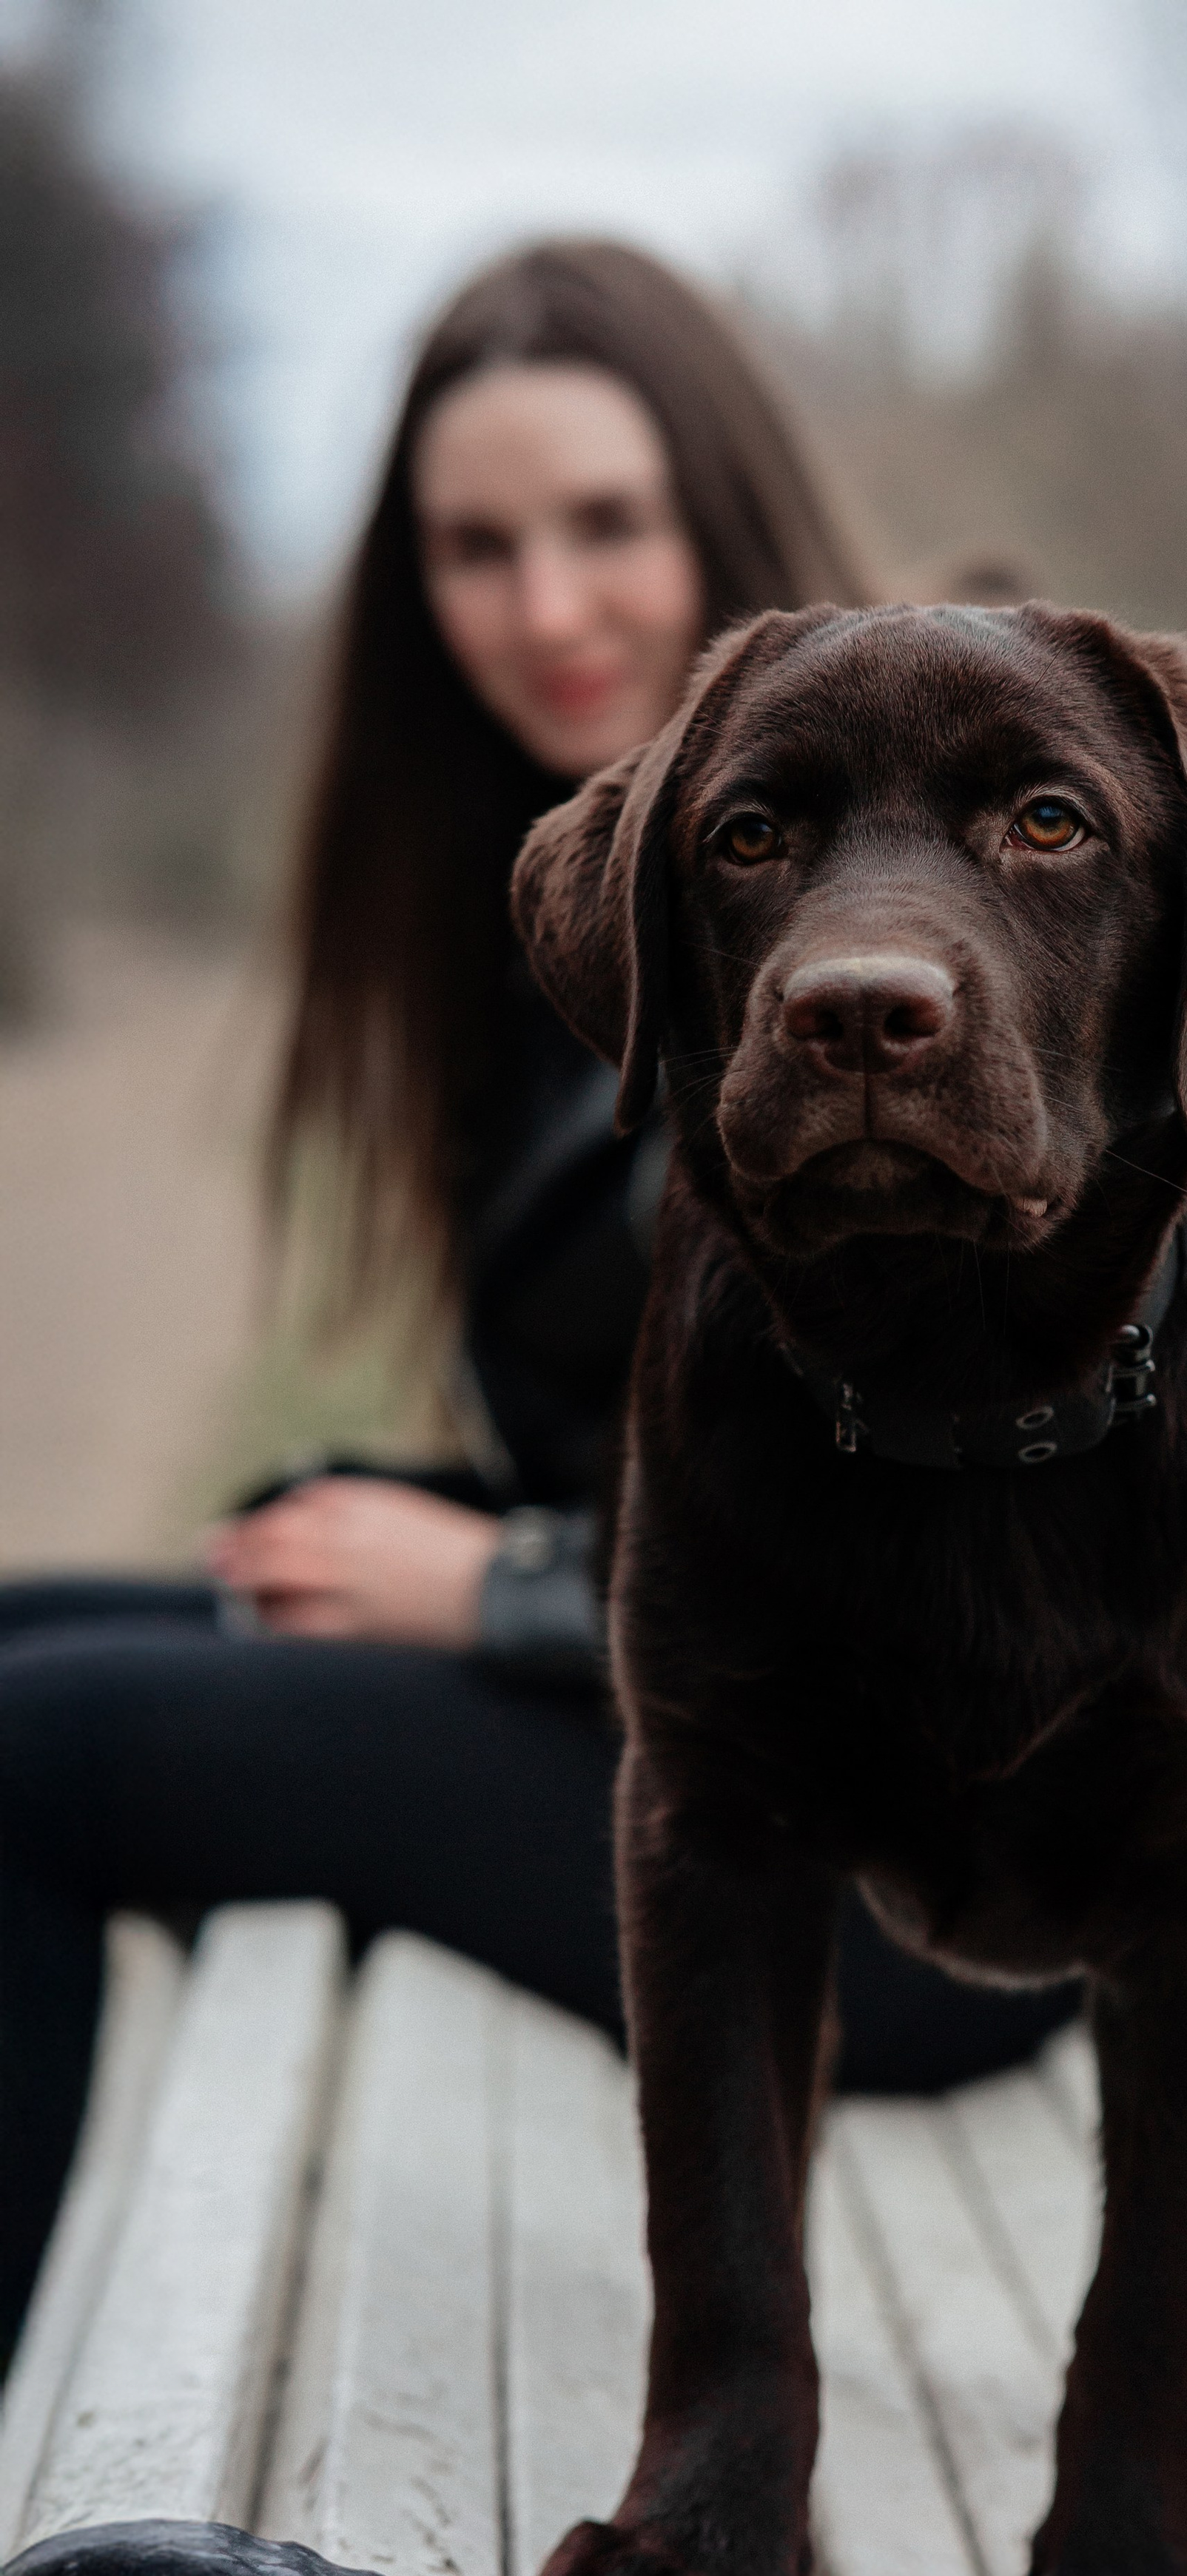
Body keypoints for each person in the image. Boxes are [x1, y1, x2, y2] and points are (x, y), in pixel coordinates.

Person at [0, 240, 1077, 2359]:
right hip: (679, 1700)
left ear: (716, 509)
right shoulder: (590, 886)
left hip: (906, 1864)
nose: (547, 606)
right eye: (475, 548)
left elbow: (958, 1538)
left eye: (607, 523)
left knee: (24, 1756)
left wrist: (490, 1583)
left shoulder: (880, 920)